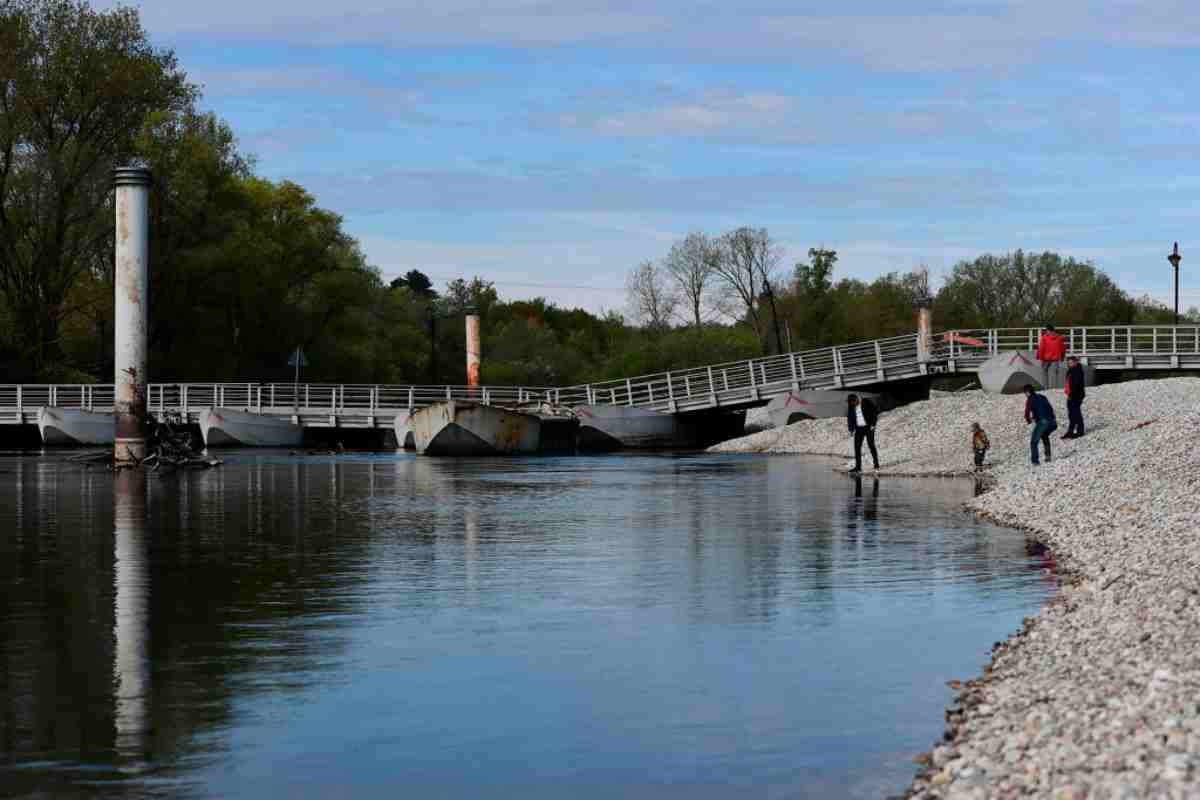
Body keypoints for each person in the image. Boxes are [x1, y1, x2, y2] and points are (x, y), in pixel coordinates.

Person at [1023, 384, 1057, 465]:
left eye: (1025, 393)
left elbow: (1026, 413)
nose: (1025, 395)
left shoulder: (1030, 399)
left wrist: (1028, 420)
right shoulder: (1042, 396)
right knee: (1044, 435)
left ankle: (1035, 461)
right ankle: (1048, 456)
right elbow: (1049, 408)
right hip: (1052, 422)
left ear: (1027, 392)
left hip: (1043, 422)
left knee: (1034, 442)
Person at [846, 394, 880, 474]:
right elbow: (850, 417)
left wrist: (873, 424)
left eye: (854, 403)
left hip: (869, 427)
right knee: (857, 448)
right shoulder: (851, 405)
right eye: (851, 404)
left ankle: (876, 464)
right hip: (859, 429)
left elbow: (875, 411)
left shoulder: (866, 401)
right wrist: (851, 429)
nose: (853, 405)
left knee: (871, 445)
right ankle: (858, 467)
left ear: (856, 399)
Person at [1063, 355, 1086, 439]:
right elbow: (1068, 382)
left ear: (1075, 362)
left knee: (1076, 414)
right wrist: (1069, 394)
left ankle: (1080, 431)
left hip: (1076, 395)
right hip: (1070, 395)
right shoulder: (1070, 370)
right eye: (1068, 363)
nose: (1069, 364)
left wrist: (1072, 394)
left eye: (1071, 362)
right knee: (1071, 414)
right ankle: (1070, 431)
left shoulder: (1077, 370)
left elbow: (1077, 384)